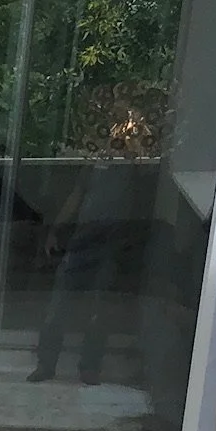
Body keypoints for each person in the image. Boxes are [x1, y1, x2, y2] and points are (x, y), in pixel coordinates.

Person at [29, 107, 153, 386]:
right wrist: (55, 230)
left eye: (126, 129)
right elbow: (77, 196)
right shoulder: (95, 163)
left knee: (99, 310)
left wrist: (136, 141)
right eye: (116, 127)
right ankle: (45, 365)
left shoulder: (136, 164)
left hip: (111, 245)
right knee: (58, 306)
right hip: (81, 242)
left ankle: (89, 368)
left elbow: (146, 171)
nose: (118, 133)